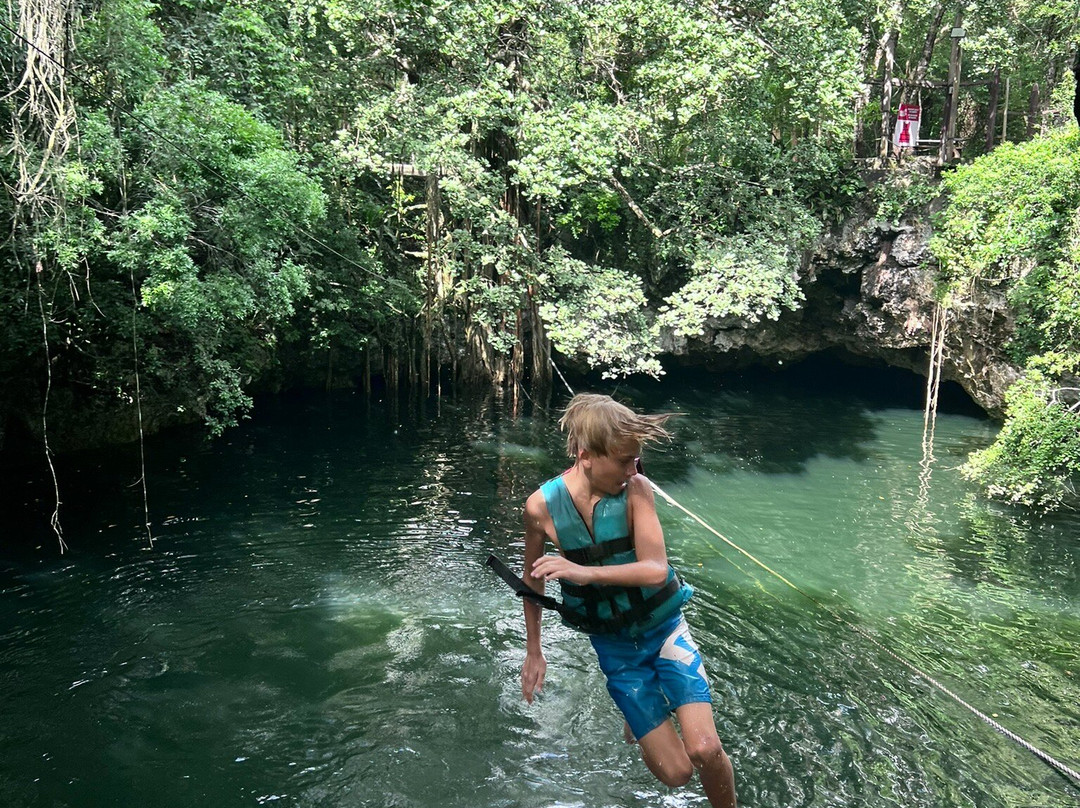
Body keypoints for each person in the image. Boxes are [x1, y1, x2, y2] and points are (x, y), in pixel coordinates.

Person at [519, 393, 737, 808]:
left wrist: (584, 572)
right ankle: (641, 714)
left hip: (665, 631)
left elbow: (656, 569)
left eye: (636, 459)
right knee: (676, 774)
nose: (633, 469)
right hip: (616, 647)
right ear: (586, 456)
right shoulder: (539, 508)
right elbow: (532, 583)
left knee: (705, 749)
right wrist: (534, 649)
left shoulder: (636, 489)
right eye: (623, 460)